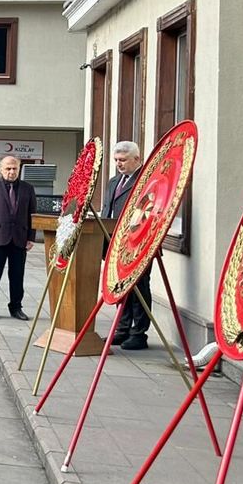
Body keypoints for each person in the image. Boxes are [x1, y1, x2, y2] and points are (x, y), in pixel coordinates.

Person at [0, 156, 37, 321]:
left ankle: (16, 307)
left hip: (20, 239)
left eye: (15, 168)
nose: (11, 172)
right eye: (8, 168)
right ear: (1, 169)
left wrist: (31, 237)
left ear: (19, 169)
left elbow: (32, 214)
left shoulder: (28, 188)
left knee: (18, 275)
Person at [103, 141, 148, 349]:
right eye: (116, 160)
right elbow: (108, 210)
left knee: (138, 288)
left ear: (136, 159)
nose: (118, 164)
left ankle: (138, 333)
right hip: (115, 244)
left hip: (138, 244)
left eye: (123, 160)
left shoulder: (146, 180)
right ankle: (122, 329)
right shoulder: (114, 181)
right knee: (120, 287)